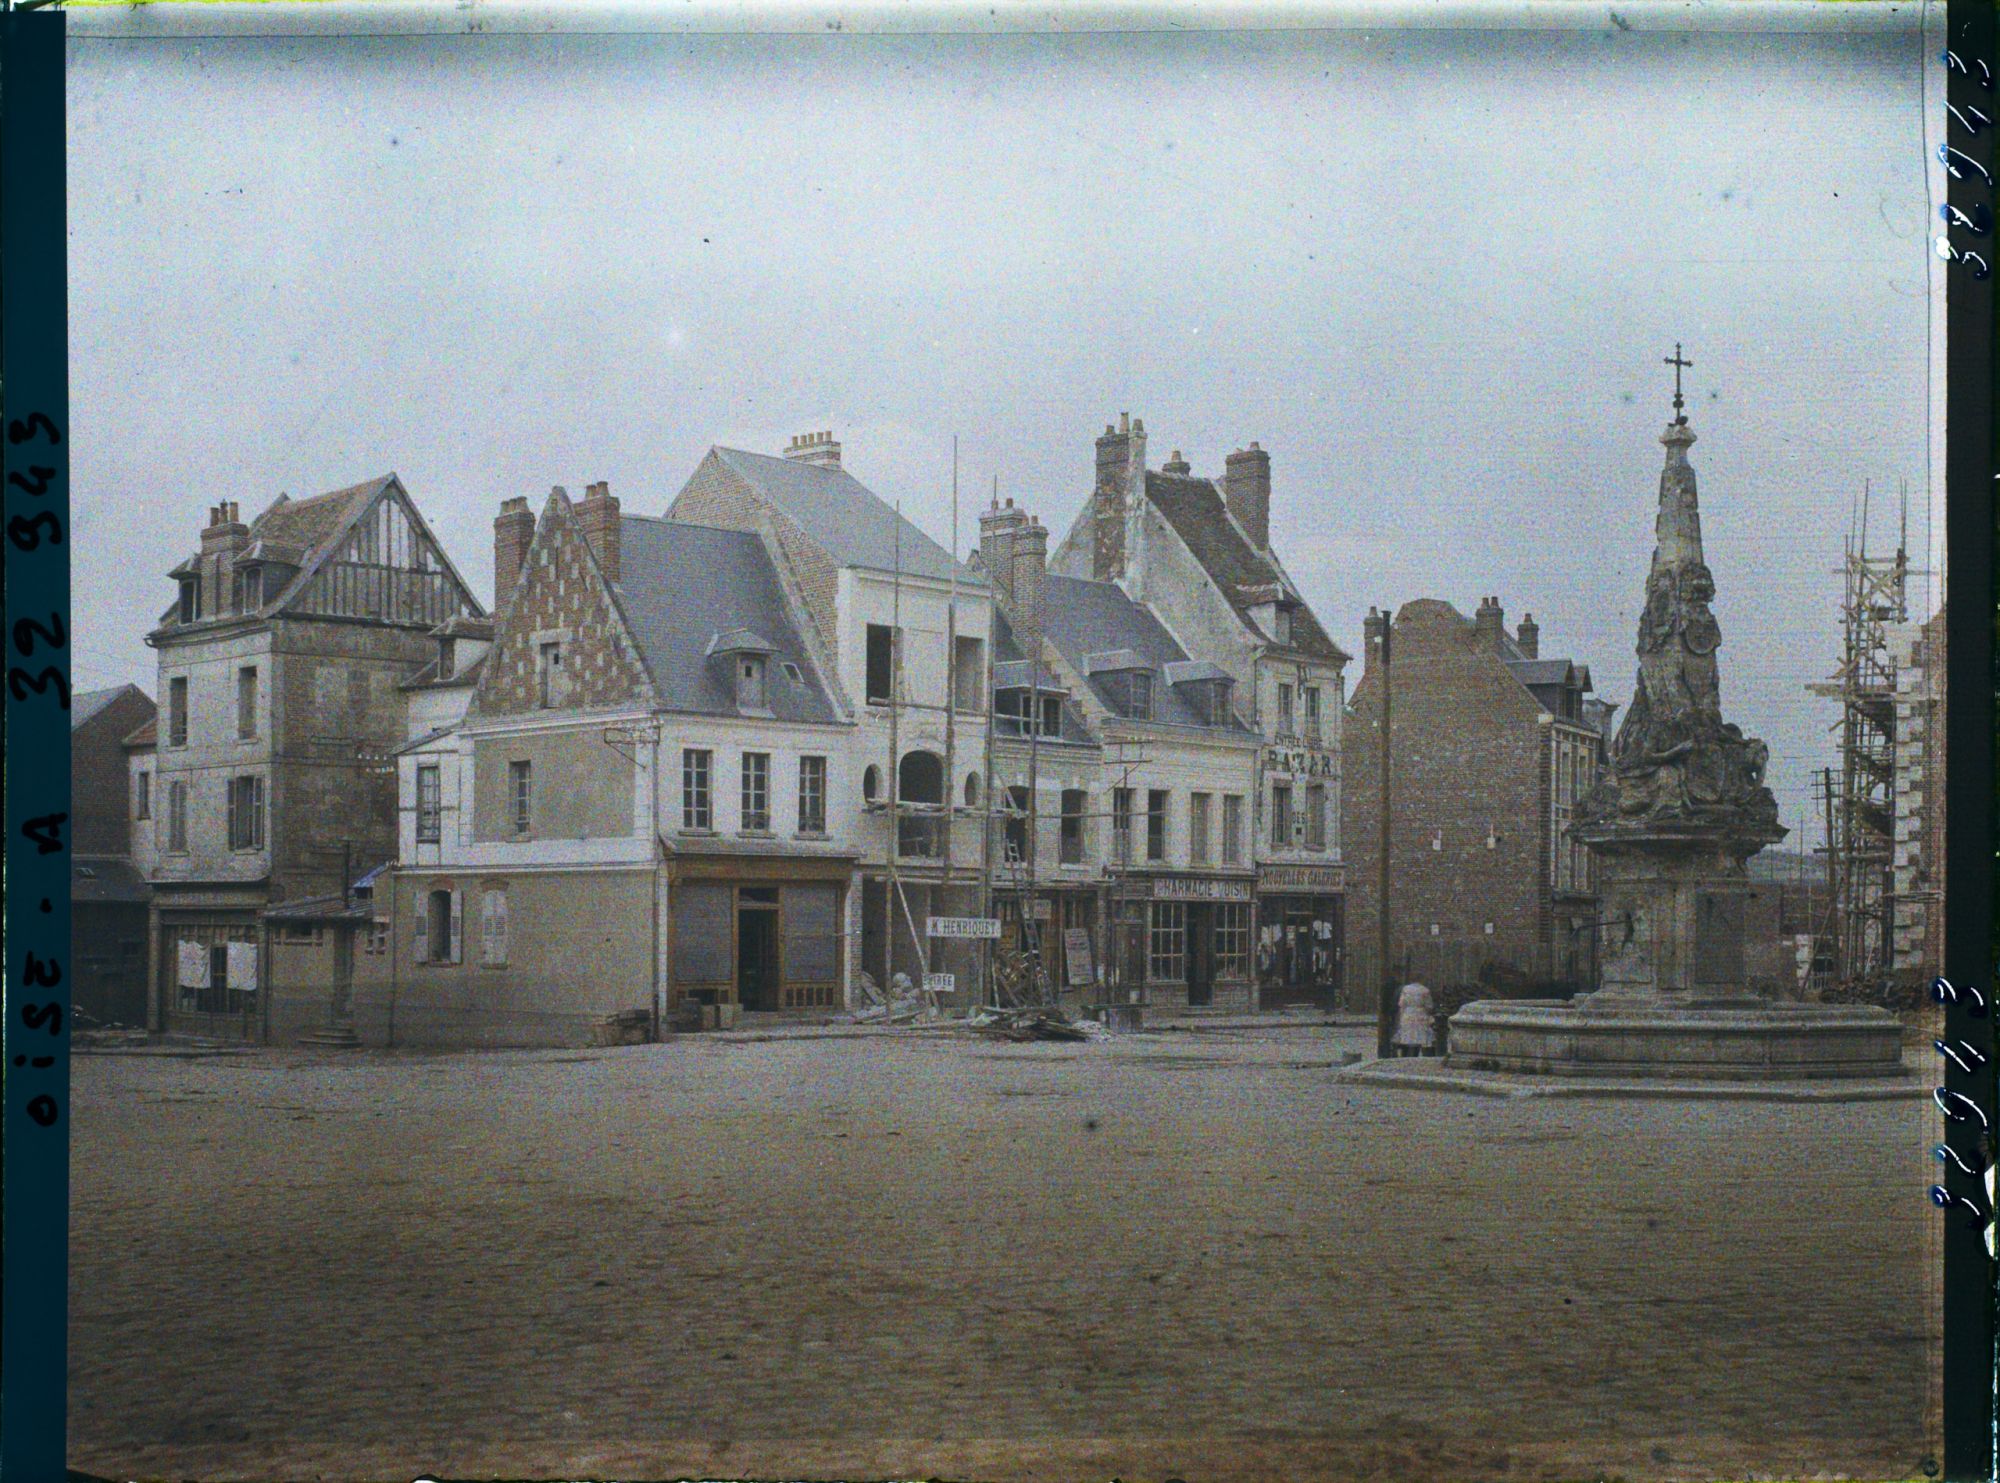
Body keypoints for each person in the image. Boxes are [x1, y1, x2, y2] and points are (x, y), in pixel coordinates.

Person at [1393, 980, 1436, 1057]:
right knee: (1421, 1037)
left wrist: (1401, 1016)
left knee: (1408, 1037)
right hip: (1421, 1015)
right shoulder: (1425, 990)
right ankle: (1421, 1055)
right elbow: (1429, 1005)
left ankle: (1407, 1055)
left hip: (1407, 1015)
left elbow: (1401, 1003)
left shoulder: (1405, 989)